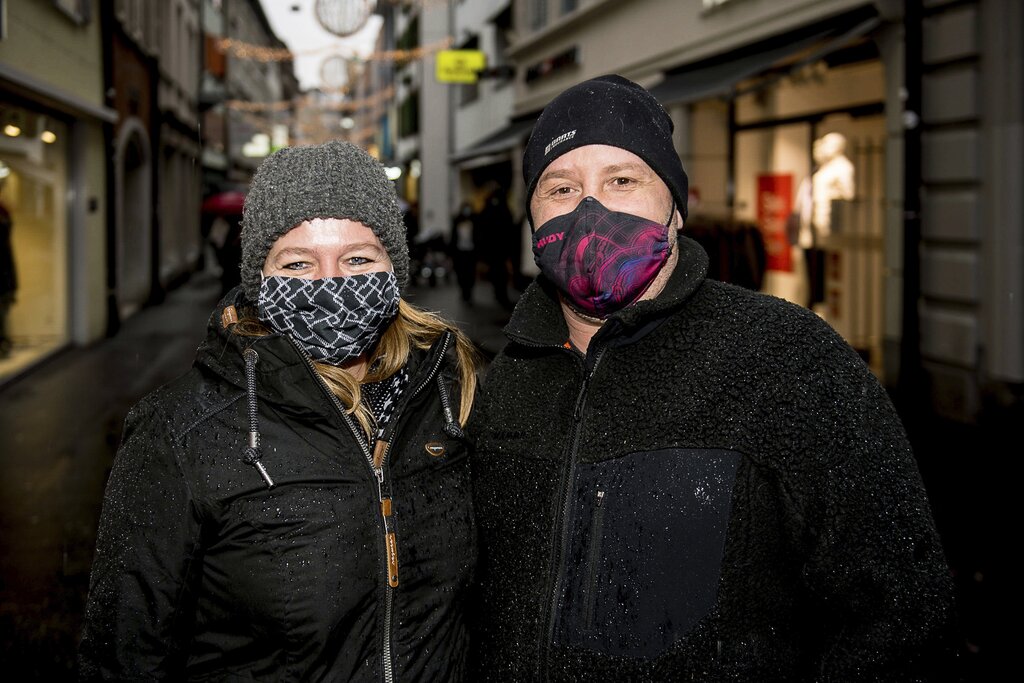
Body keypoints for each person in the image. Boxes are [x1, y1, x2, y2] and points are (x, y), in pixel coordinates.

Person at [467, 75, 957, 681]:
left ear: (674, 208)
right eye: (560, 188)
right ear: (532, 216)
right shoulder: (505, 380)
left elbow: (899, 615)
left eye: (623, 180)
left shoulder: (787, 359)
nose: (590, 210)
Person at [79, 141, 482, 681]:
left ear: (394, 268)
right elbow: (124, 656)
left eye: (358, 258)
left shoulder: (451, 396)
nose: (331, 284)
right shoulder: (180, 431)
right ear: (259, 280)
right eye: (297, 263)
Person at [451, 201, 478, 303]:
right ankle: (463, 291)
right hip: (460, 252)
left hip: (471, 252)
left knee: (470, 273)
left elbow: (478, 236)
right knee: (461, 273)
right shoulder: (457, 220)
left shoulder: (475, 220)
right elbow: (453, 237)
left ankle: (469, 292)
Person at [0, 176, 15, 358]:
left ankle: (3, 342)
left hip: (4, 271)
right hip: (4, 271)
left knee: (3, 310)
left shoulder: (4, 211)